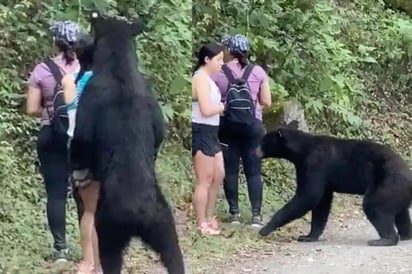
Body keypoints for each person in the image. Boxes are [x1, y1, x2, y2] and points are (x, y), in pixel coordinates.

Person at [25, 20, 82, 263]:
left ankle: (60, 250)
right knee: (86, 194)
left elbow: (30, 109)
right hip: (83, 136)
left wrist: (50, 110)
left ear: (54, 42)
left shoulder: (41, 70)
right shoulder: (89, 68)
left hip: (51, 134)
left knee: (56, 194)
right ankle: (92, 251)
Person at [211, 34, 272, 228]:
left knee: (230, 170)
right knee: (254, 171)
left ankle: (235, 214)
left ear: (228, 50)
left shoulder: (219, 72)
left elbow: (213, 100)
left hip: (227, 126)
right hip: (253, 126)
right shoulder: (258, 71)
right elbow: (266, 102)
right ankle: (256, 216)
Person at [61, 32, 102, 274]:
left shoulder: (69, 80)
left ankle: (88, 262)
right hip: (100, 147)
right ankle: (97, 264)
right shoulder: (102, 80)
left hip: (76, 145)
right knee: (101, 209)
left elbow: (71, 111)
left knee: (88, 209)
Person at [192, 42, 225, 235]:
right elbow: (205, 110)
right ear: (207, 59)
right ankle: (201, 222)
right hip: (202, 130)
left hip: (213, 131)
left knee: (218, 174)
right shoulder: (200, 78)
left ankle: (210, 215)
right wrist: (223, 107)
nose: (221, 63)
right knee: (204, 179)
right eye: (218, 59)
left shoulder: (210, 80)